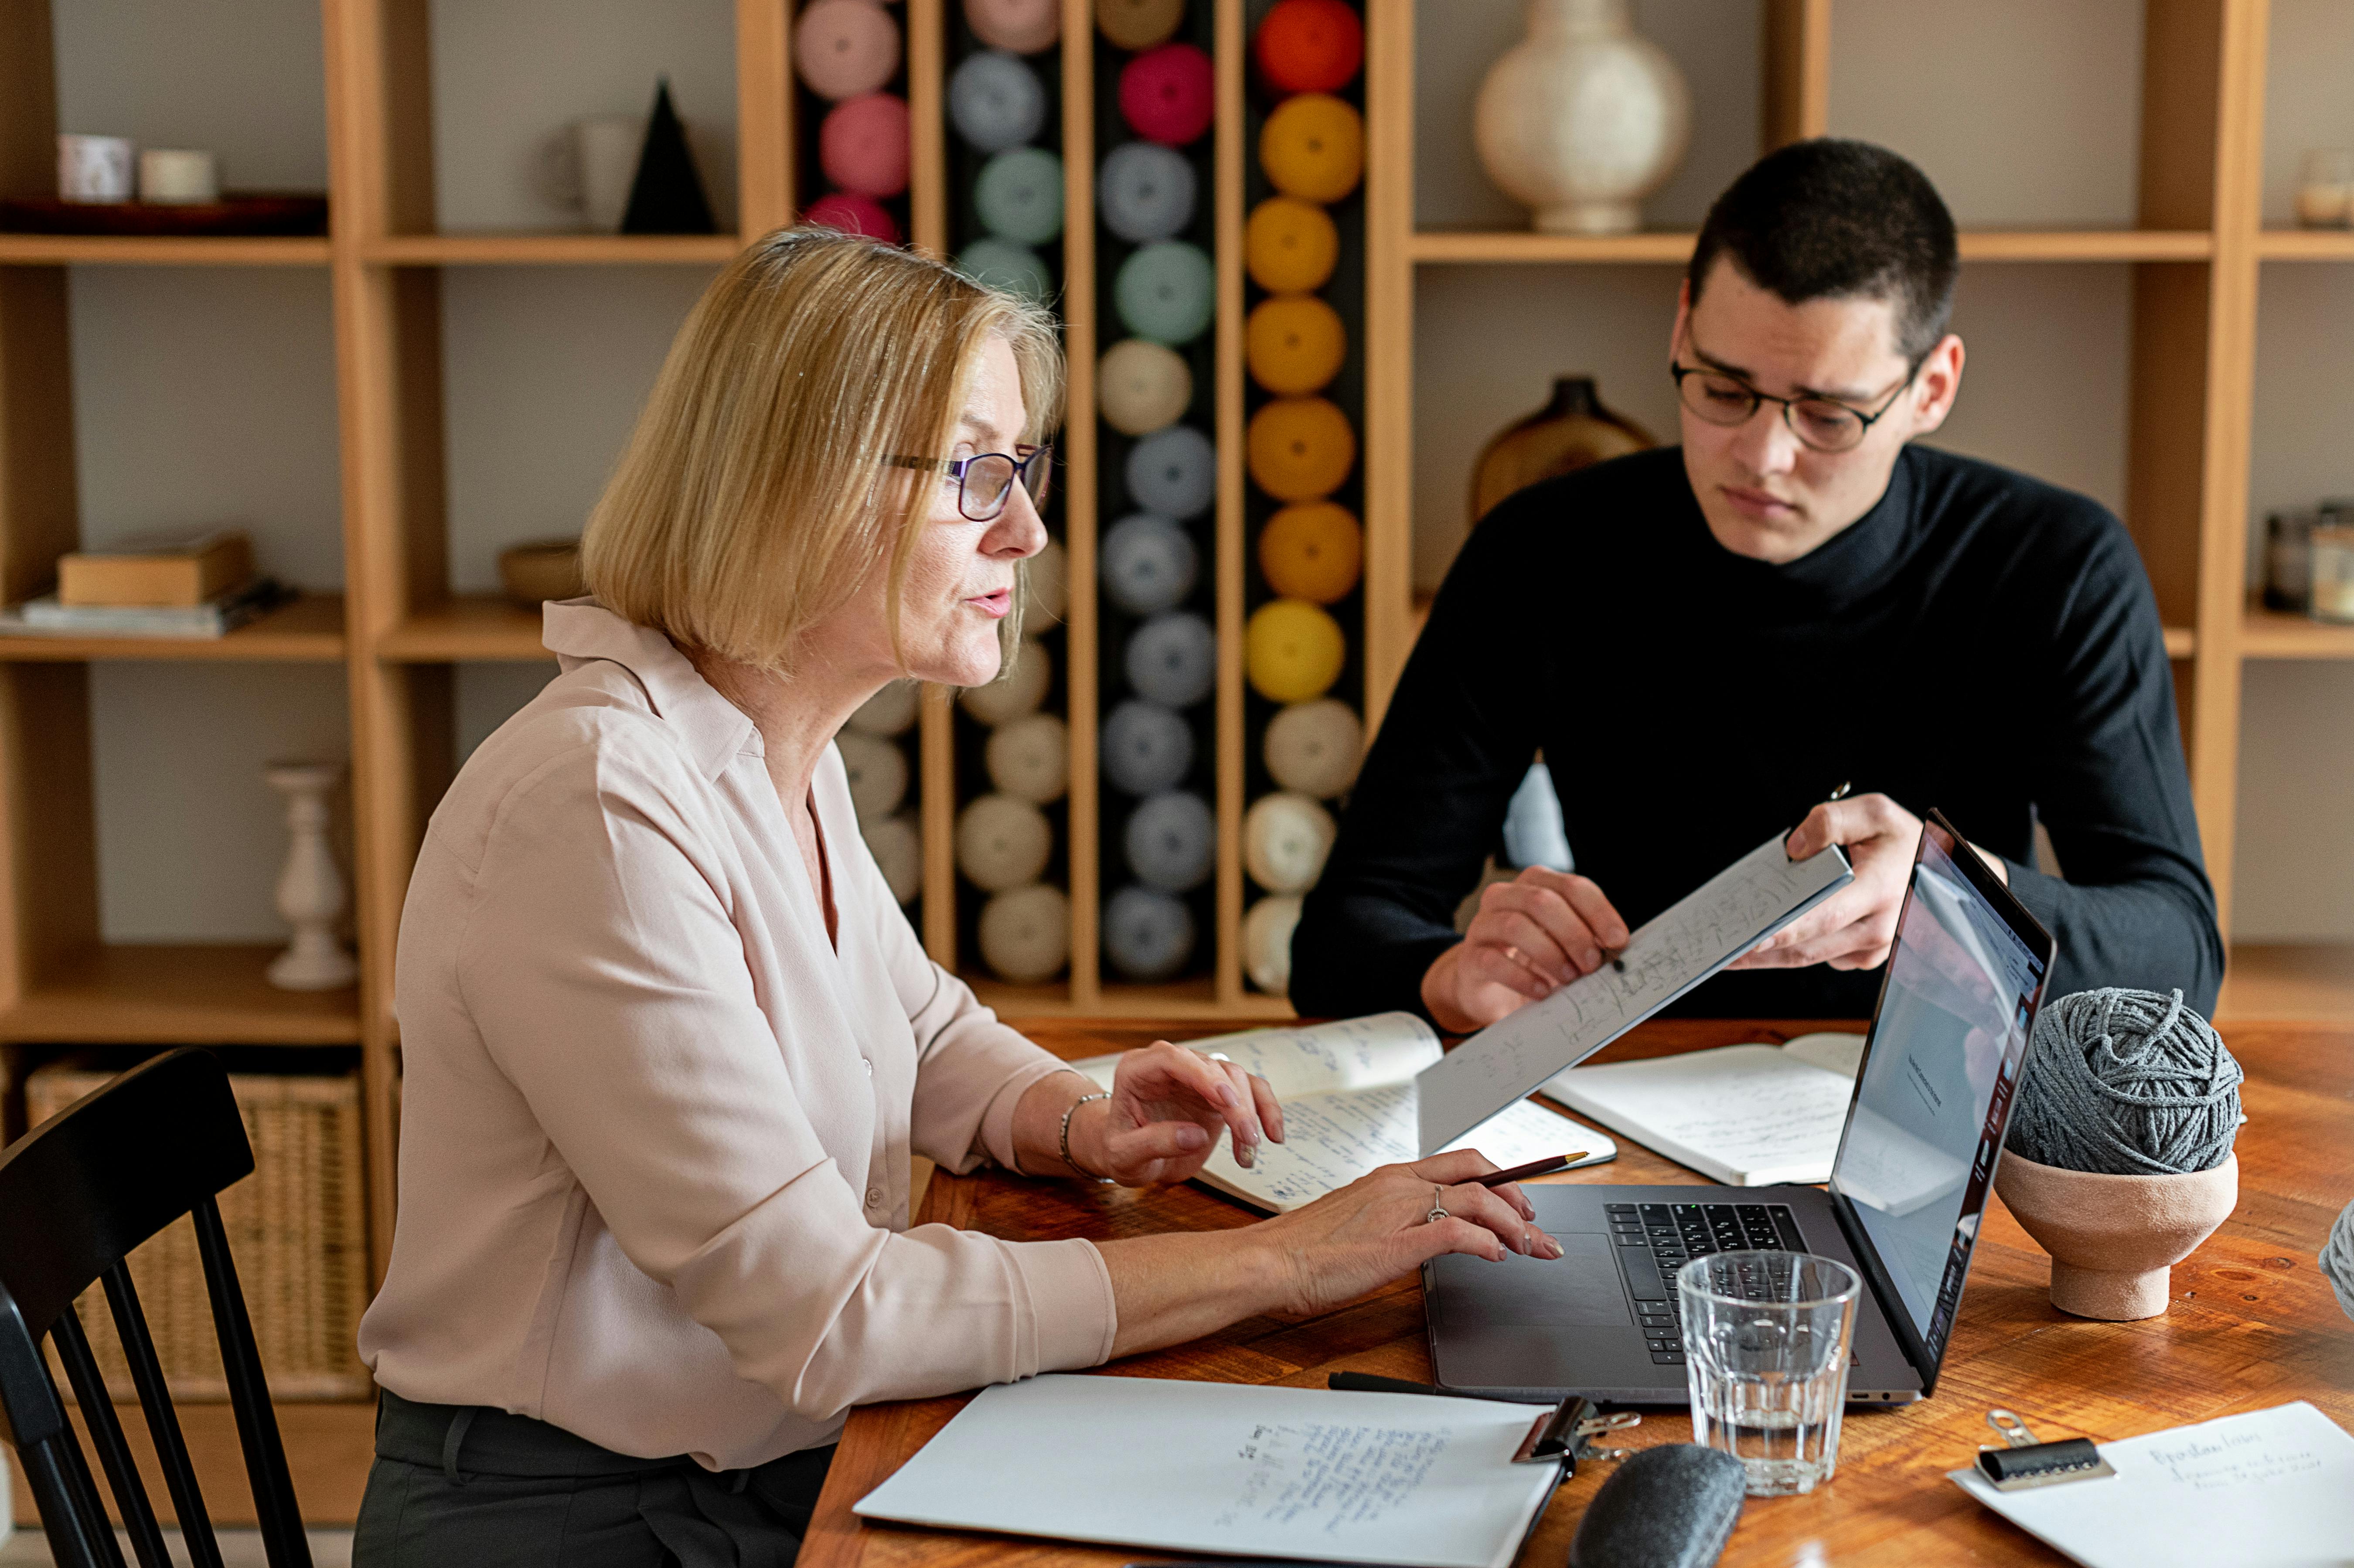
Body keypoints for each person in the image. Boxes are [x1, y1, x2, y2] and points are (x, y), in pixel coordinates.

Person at [354, 229, 1558, 1567]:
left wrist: (1078, 1117)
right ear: (795, 485)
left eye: (1021, 468)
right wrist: (1288, 1264)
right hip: (575, 1525)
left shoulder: (762, 747)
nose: (1027, 529)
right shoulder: (598, 802)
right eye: (975, 471)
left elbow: (918, 1029)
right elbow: (827, 1313)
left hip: (753, 1471)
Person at [1292, 138, 2222, 1033]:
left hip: (1939, 1104)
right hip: (1624, 1081)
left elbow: (2179, 950)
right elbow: (1340, 934)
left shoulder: (2053, 564)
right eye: (1723, 390)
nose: (1762, 458)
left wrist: (1954, 891)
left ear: (1930, 389)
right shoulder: (1541, 550)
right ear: (1681, 323)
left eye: (1825, 414)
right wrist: (1449, 975)